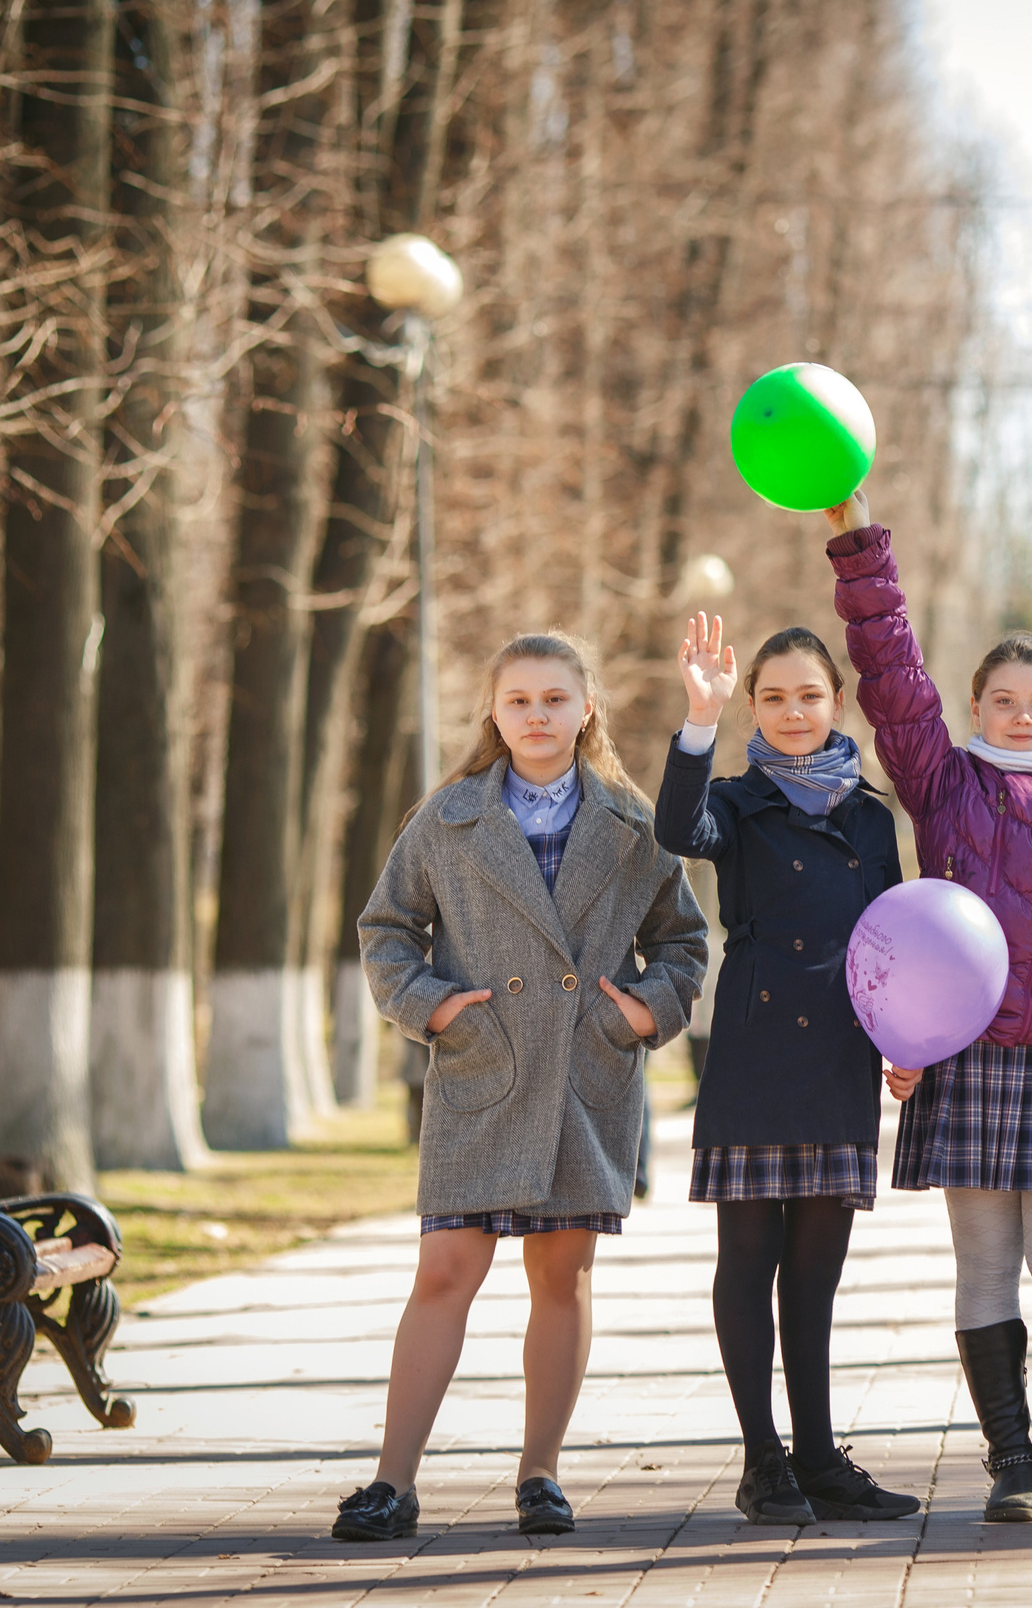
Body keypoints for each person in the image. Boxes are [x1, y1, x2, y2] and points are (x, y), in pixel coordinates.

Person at [826, 491, 1032, 1523]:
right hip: (967, 1055)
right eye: (1005, 700)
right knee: (984, 1265)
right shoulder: (945, 785)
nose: (1024, 715)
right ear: (977, 709)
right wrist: (859, 542)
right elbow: (890, 675)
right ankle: (1009, 1463)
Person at [342, 632, 707, 1541]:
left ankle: (540, 1472)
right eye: (519, 701)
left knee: (563, 1273)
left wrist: (638, 1014)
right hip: (483, 1070)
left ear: (587, 708)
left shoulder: (632, 822)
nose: (537, 715)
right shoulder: (450, 816)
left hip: (584, 1074)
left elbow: (684, 943)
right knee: (445, 1270)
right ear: (494, 713)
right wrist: (434, 1010)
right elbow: (386, 928)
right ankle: (393, 1480)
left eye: (554, 698)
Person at [656, 612, 921, 1525]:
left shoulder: (871, 815)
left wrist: (907, 1040)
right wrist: (700, 717)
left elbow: (893, 939)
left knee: (816, 1271)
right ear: (753, 707)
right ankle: (762, 1459)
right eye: (773, 697)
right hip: (759, 1048)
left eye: (810, 694)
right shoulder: (734, 799)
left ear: (837, 701)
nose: (794, 711)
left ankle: (817, 1457)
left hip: (842, 1052)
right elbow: (676, 826)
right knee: (750, 1257)